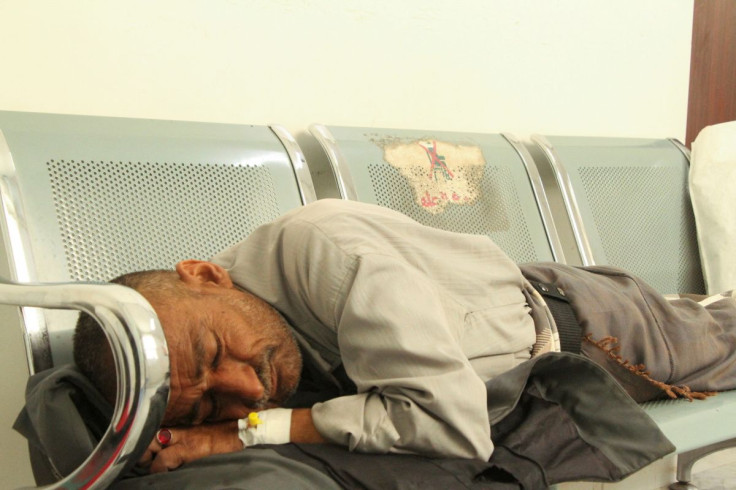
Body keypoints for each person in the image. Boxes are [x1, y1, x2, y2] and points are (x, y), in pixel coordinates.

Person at [73, 199, 736, 475]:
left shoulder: (322, 253)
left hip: (599, 328)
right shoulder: (235, 322)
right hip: (513, 303)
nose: (247, 388)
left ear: (206, 275)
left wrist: (243, 431)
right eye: (212, 403)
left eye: (216, 354)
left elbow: (453, 425)